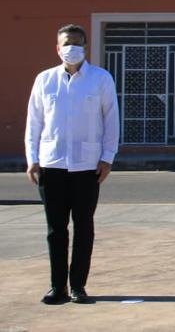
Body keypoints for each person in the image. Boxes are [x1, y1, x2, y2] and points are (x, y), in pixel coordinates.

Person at [25, 24, 119, 305]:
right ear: (57, 48)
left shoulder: (100, 79)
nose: (71, 48)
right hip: (52, 164)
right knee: (56, 230)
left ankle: (78, 286)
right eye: (66, 43)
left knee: (83, 227)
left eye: (77, 43)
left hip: (87, 166)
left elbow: (111, 119)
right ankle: (58, 287)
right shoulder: (45, 80)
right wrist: (32, 159)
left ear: (86, 47)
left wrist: (107, 157)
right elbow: (34, 122)